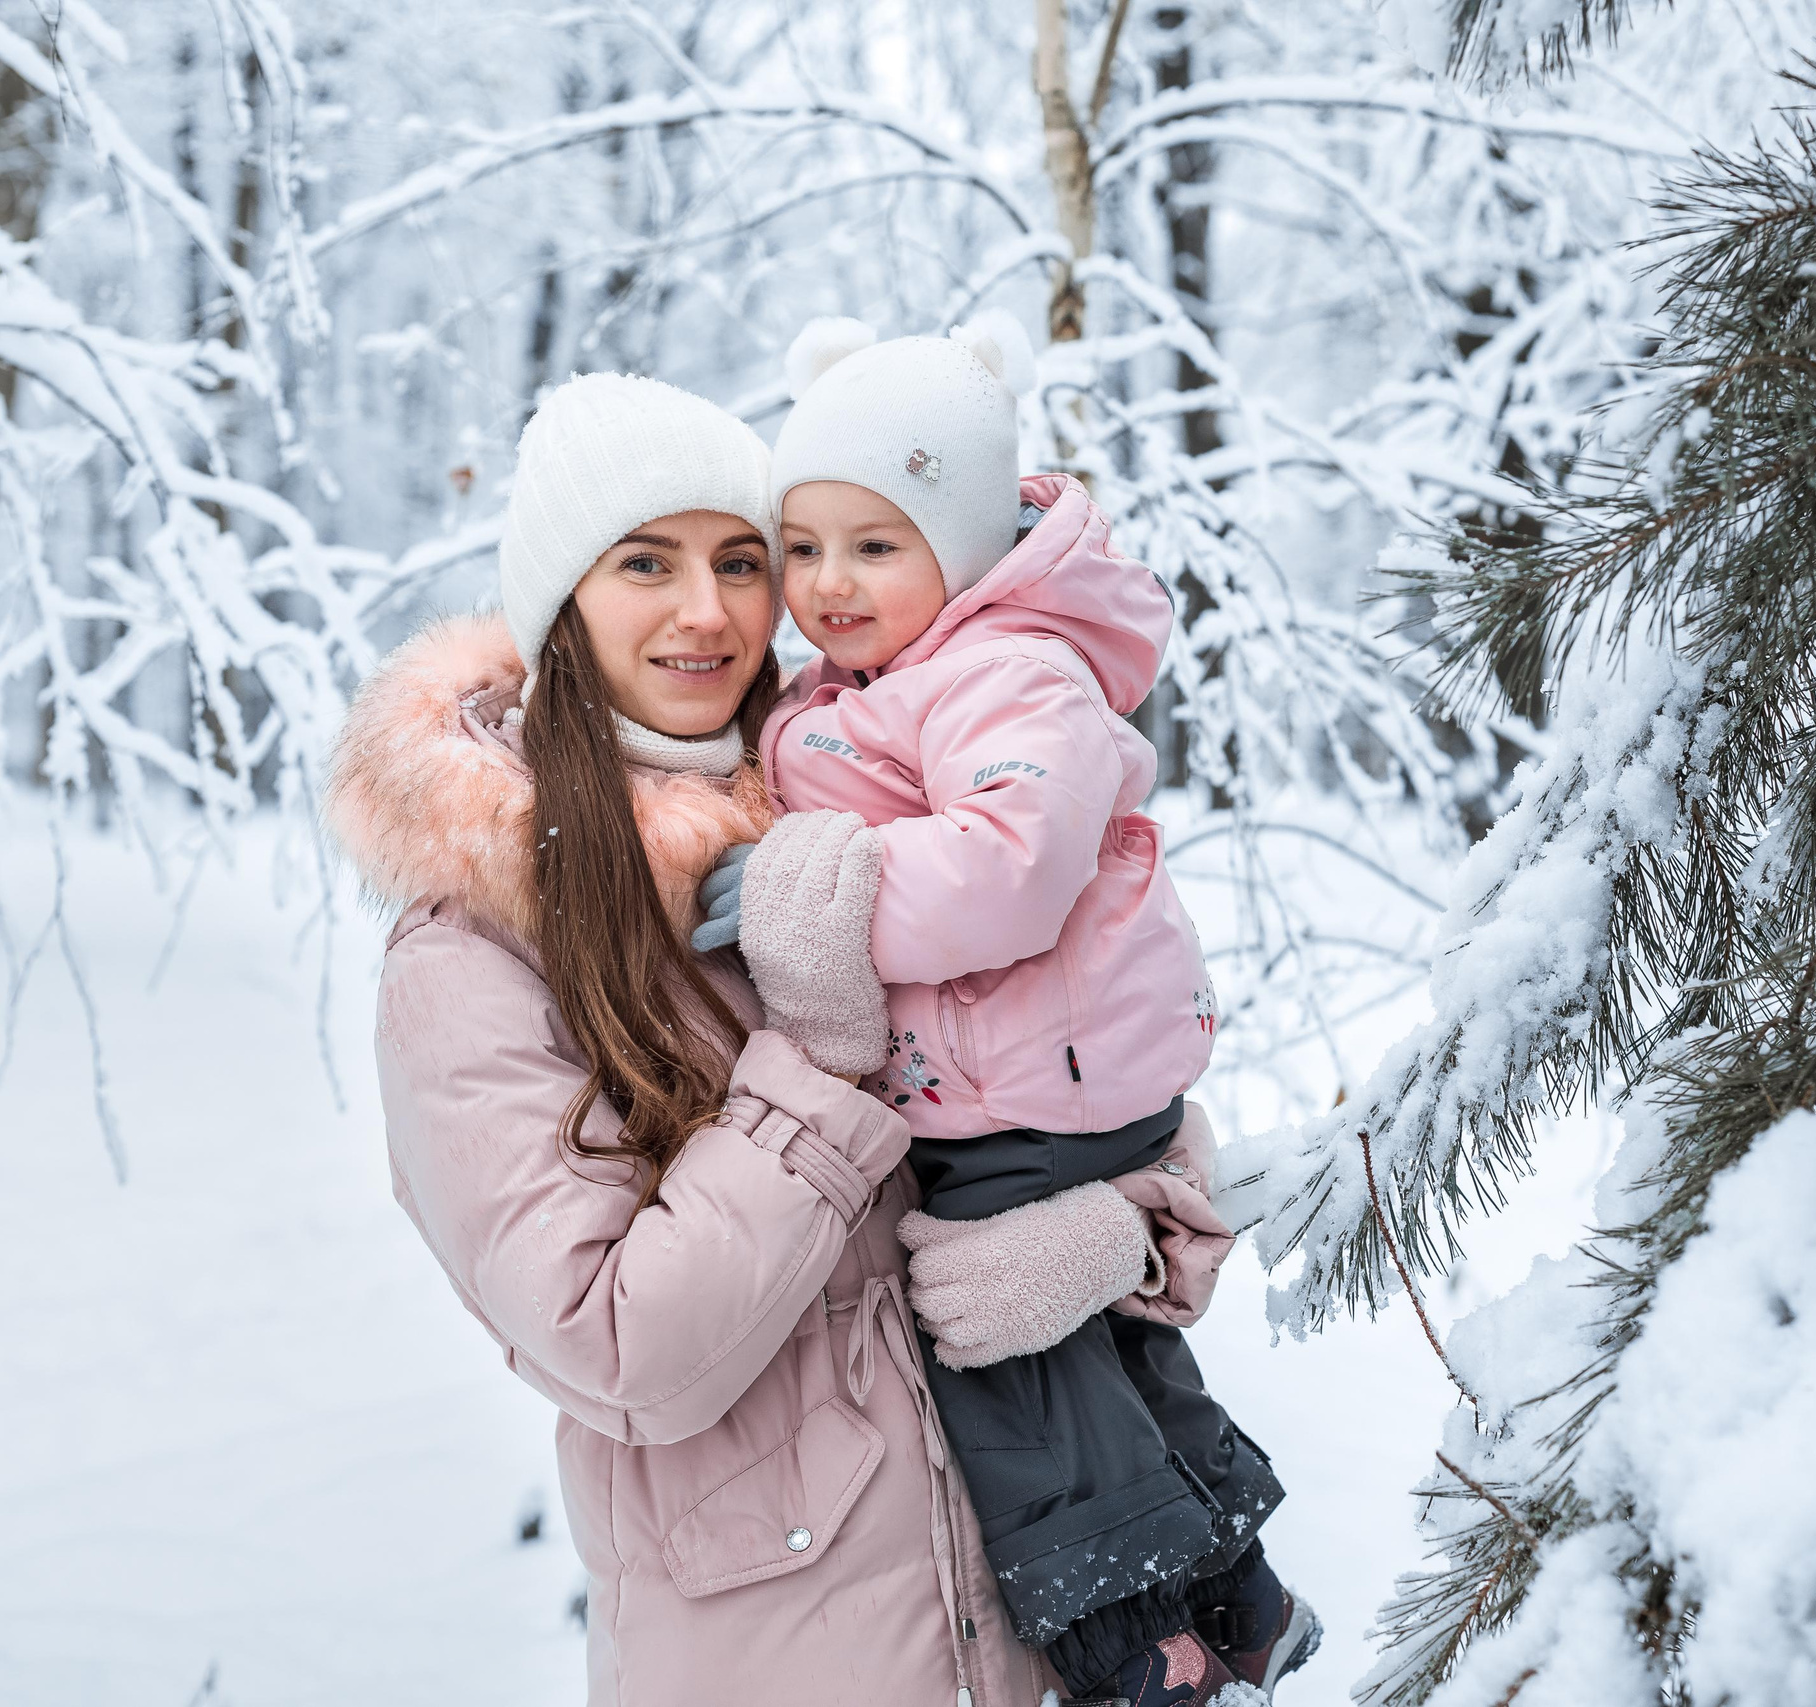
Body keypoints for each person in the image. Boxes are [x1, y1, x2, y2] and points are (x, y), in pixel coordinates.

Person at [323, 371, 1196, 1707]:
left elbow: (1092, 1075)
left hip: (1040, 1644)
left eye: (742, 559)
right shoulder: (471, 958)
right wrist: (821, 1057)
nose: (707, 609)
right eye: (644, 564)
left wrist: (1116, 1233)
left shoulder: (848, 827)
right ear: (561, 603)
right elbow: (621, 1354)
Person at [690, 317, 1318, 1707]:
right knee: (1108, 1354)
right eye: (805, 546)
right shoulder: (884, 680)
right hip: (1032, 1079)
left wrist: (818, 894)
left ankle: (1130, 1650)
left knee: (997, 1348)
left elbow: (1012, 870)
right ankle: (1241, 1596)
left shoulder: (1002, 670)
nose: (829, 584)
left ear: (962, 544)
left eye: (876, 543)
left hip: (1039, 1094)